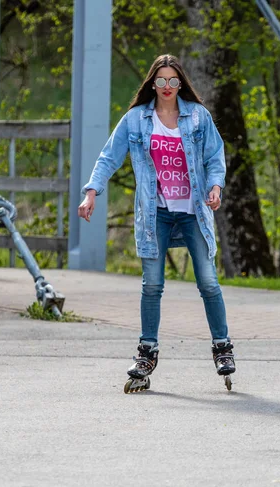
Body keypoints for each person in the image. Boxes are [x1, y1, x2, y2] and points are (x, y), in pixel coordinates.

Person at [78, 54, 235, 388]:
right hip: (156, 213)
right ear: (152, 83)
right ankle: (147, 351)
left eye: (173, 81)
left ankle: (222, 346)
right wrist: (92, 191)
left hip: (193, 211)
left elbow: (214, 157)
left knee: (208, 281)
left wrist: (215, 188)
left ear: (181, 84)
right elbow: (109, 155)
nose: (167, 87)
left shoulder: (197, 118)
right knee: (152, 285)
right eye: (161, 81)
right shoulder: (136, 120)